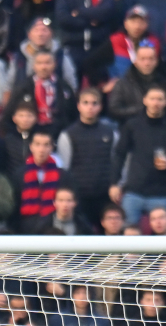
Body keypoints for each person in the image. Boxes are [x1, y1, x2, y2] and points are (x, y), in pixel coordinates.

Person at [111, 85, 166, 226]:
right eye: (152, 99)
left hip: (162, 193)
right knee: (128, 236)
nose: (156, 103)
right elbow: (119, 154)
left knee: (163, 242)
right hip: (134, 191)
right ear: (144, 100)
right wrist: (114, 183)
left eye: (160, 99)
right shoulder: (132, 125)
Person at [57, 87, 119, 224]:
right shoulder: (68, 135)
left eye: (94, 103)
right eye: (85, 103)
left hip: (105, 195)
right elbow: (64, 168)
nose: (90, 107)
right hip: (79, 196)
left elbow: (116, 162)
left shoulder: (111, 133)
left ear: (100, 107)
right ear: (78, 106)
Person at [6, 50, 79, 138]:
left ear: (55, 64)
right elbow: (8, 115)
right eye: (39, 63)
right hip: (30, 134)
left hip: (59, 133)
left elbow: (73, 115)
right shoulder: (23, 87)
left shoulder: (64, 87)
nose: (43, 67)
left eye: (47, 63)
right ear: (33, 65)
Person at [108, 42, 166, 124]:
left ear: (156, 62)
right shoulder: (122, 83)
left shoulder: (164, 83)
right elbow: (114, 110)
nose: (147, 63)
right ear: (135, 61)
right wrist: (143, 110)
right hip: (131, 128)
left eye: (151, 59)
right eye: (142, 59)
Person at [18, 130, 66, 231]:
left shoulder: (63, 175)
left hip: (52, 227)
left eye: (46, 145)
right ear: (31, 147)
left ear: (51, 148)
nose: (41, 149)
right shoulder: (20, 174)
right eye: (37, 144)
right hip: (26, 227)